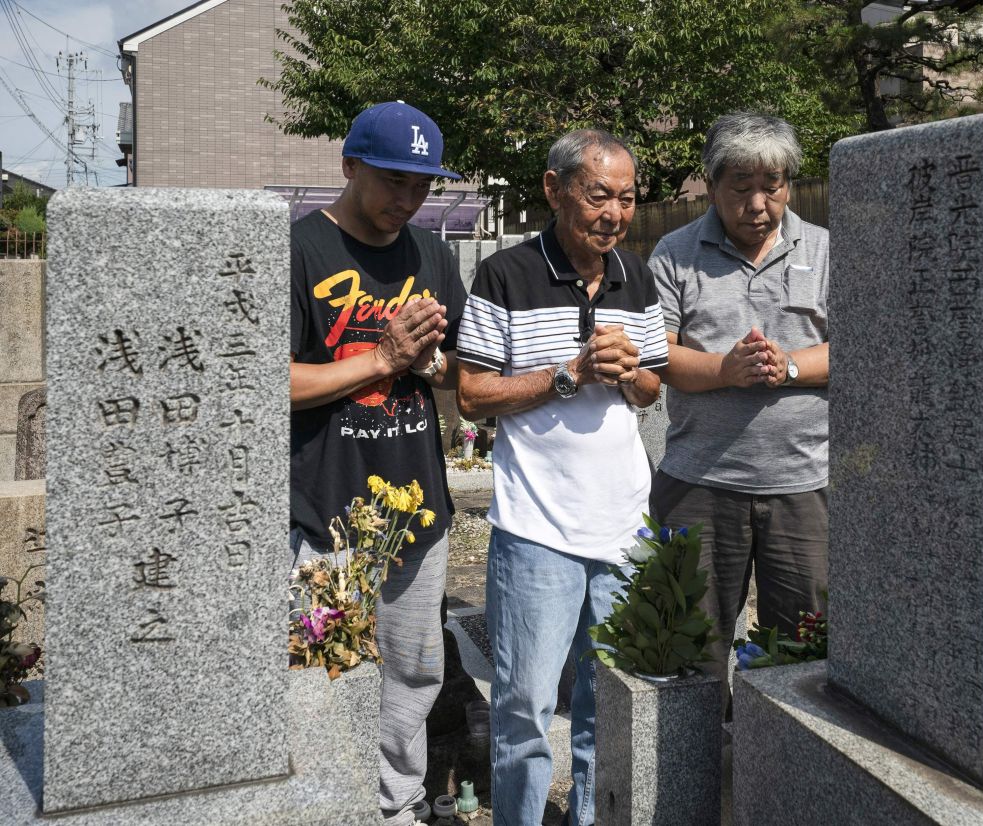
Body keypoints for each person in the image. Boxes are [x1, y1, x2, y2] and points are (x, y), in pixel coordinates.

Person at [455, 129, 668, 826]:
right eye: (598, 194)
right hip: (535, 530)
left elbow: (651, 391)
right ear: (554, 190)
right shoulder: (506, 274)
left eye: (628, 198)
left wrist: (628, 371)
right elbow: (473, 396)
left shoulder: (638, 277)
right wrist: (568, 375)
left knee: (609, 705)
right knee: (523, 708)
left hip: (623, 525)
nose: (614, 213)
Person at [288, 100, 465, 825]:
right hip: (326, 506)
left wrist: (428, 362)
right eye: (393, 180)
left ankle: (397, 810)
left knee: (415, 672)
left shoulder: (432, 254)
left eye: (422, 186)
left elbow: (460, 373)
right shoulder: (299, 249)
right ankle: (327, 807)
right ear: (349, 165)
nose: (408, 199)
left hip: (417, 506)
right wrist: (382, 357)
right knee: (324, 673)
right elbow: (273, 382)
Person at [647, 111, 830, 706]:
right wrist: (726, 369)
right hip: (699, 480)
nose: (758, 203)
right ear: (710, 184)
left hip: (805, 485)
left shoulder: (827, 250)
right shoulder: (675, 253)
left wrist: (792, 366)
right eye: (740, 188)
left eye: (771, 186)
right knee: (684, 655)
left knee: (805, 653)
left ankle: (778, 780)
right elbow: (657, 357)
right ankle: (691, 784)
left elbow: (864, 345)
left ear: (789, 184)